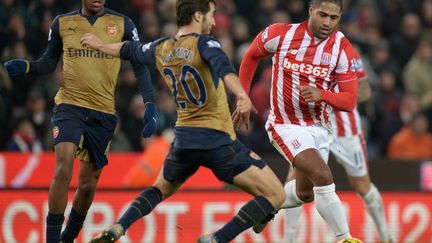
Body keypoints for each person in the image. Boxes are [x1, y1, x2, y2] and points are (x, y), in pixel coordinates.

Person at [80, 0, 285, 242]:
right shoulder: (205, 43)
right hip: (216, 141)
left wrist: (101, 45)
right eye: (211, 15)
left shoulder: (161, 47)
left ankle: (118, 227)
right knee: (276, 195)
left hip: (184, 143)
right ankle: (217, 238)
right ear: (198, 16)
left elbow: (129, 49)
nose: (213, 21)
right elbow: (224, 68)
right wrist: (241, 95)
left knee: (158, 190)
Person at [3, 1, 156, 242]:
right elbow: (48, 62)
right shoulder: (62, 23)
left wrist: (149, 103)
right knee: (63, 167)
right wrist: (26, 66)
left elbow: (139, 64)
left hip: (102, 112)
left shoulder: (124, 24)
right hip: (69, 105)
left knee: (87, 184)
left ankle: (68, 238)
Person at [239, 0, 361, 241]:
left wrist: (323, 94)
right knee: (323, 176)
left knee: (306, 194)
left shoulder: (342, 48)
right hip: (285, 125)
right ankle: (345, 237)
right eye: (322, 15)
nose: (327, 22)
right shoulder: (281, 34)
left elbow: (349, 101)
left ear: (340, 18)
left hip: (319, 127)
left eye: (333, 18)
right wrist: (243, 96)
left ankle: (265, 206)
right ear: (310, 11)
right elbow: (251, 56)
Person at [283, 50, 392, 242]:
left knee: (362, 185)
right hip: (312, 124)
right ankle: (288, 239)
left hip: (344, 127)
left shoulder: (347, 52)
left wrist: (338, 93)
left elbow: (364, 90)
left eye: (332, 18)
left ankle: (386, 236)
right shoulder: (300, 49)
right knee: (298, 180)